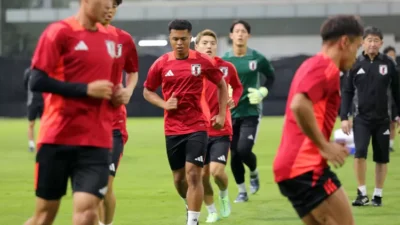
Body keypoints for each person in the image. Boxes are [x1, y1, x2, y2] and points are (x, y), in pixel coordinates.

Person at [23, 0, 121, 224]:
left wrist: (117, 95)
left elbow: (106, 86)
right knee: (45, 214)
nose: (109, 6)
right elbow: (36, 80)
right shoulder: (59, 32)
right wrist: (85, 90)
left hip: (96, 141)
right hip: (57, 138)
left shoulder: (111, 39)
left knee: (87, 214)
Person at [273, 15, 364, 225]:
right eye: (357, 47)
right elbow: (298, 105)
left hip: (291, 168)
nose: (356, 55)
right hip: (305, 167)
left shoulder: (310, 64)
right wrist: (323, 145)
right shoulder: (326, 67)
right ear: (344, 42)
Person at [143, 19, 228, 225]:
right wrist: (164, 104)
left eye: (183, 38)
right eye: (175, 39)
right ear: (170, 39)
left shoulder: (202, 61)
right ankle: (189, 204)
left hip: (197, 126)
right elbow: (147, 91)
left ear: (191, 38)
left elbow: (221, 85)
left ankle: (192, 221)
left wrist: (222, 114)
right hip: (172, 129)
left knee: (193, 175)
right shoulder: (162, 63)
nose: (179, 43)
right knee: (179, 180)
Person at [341, 26, 400, 207]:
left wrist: (397, 116)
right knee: (359, 154)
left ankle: (378, 195)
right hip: (361, 119)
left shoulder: (389, 64)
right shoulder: (354, 64)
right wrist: (344, 117)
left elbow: (397, 93)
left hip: (383, 119)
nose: (372, 44)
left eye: (376, 40)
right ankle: (362, 193)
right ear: (362, 43)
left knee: (381, 158)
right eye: (369, 40)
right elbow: (347, 92)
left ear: (381, 43)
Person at [222, 19, 275, 203]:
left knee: (244, 150)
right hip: (231, 113)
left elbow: (271, 76)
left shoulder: (257, 58)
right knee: (234, 154)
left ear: (248, 35)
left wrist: (263, 91)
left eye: (243, 31)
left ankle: (253, 172)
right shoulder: (224, 61)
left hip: (251, 112)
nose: (240, 34)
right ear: (231, 35)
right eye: (236, 31)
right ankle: (242, 191)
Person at [194, 29, 243, 223]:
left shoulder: (226, 67)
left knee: (216, 171)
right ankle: (212, 210)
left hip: (221, 128)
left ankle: (223, 194)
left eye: (212, 43)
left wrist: (234, 100)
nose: (208, 46)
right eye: (204, 43)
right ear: (196, 47)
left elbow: (237, 87)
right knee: (202, 175)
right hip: (198, 129)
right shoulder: (191, 68)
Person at [97, 1, 139, 225]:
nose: (110, 8)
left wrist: (129, 90)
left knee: (105, 183)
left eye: (115, 4)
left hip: (113, 125)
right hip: (85, 125)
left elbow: (133, 72)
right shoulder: (77, 36)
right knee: (90, 189)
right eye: (106, 2)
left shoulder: (124, 39)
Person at [23, 67, 44, 152]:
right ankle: (31, 145)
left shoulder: (44, 72)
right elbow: (25, 85)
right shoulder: (28, 72)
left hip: (43, 101)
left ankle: (42, 143)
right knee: (31, 124)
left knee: (44, 124)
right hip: (32, 102)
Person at [383, 45, 398, 152]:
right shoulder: (381, 69)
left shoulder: (397, 69)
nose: (392, 57)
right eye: (390, 55)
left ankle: (390, 145)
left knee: (392, 123)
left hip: (394, 101)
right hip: (383, 100)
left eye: (393, 55)